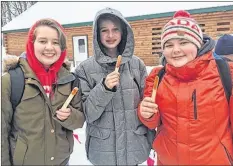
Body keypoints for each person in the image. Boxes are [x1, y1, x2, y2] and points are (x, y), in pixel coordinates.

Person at [138, 10, 233, 165]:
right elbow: (152, 122)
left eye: (183, 43)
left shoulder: (225, 73)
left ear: (197, 44)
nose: (176, 50)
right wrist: (146, 113)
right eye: (169, 45)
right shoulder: (156, 77)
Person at [1, 18, 85, 165]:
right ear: (32, 44)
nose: (49, 47)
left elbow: (79, 121)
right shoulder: (11, 80)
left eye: (55, 42)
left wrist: (69, 116)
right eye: (42, 41)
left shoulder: (70, 80)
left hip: (61, 162)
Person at [75, 7, 150, 165]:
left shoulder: (137, 65)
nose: (110, 35)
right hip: (103, 152)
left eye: (115, 29)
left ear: (123, 32)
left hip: (133, 150)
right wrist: (104, 89)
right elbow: (87, 114)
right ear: (97, 34)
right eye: (104, 30)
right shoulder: (85, 69)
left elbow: (148, 106)